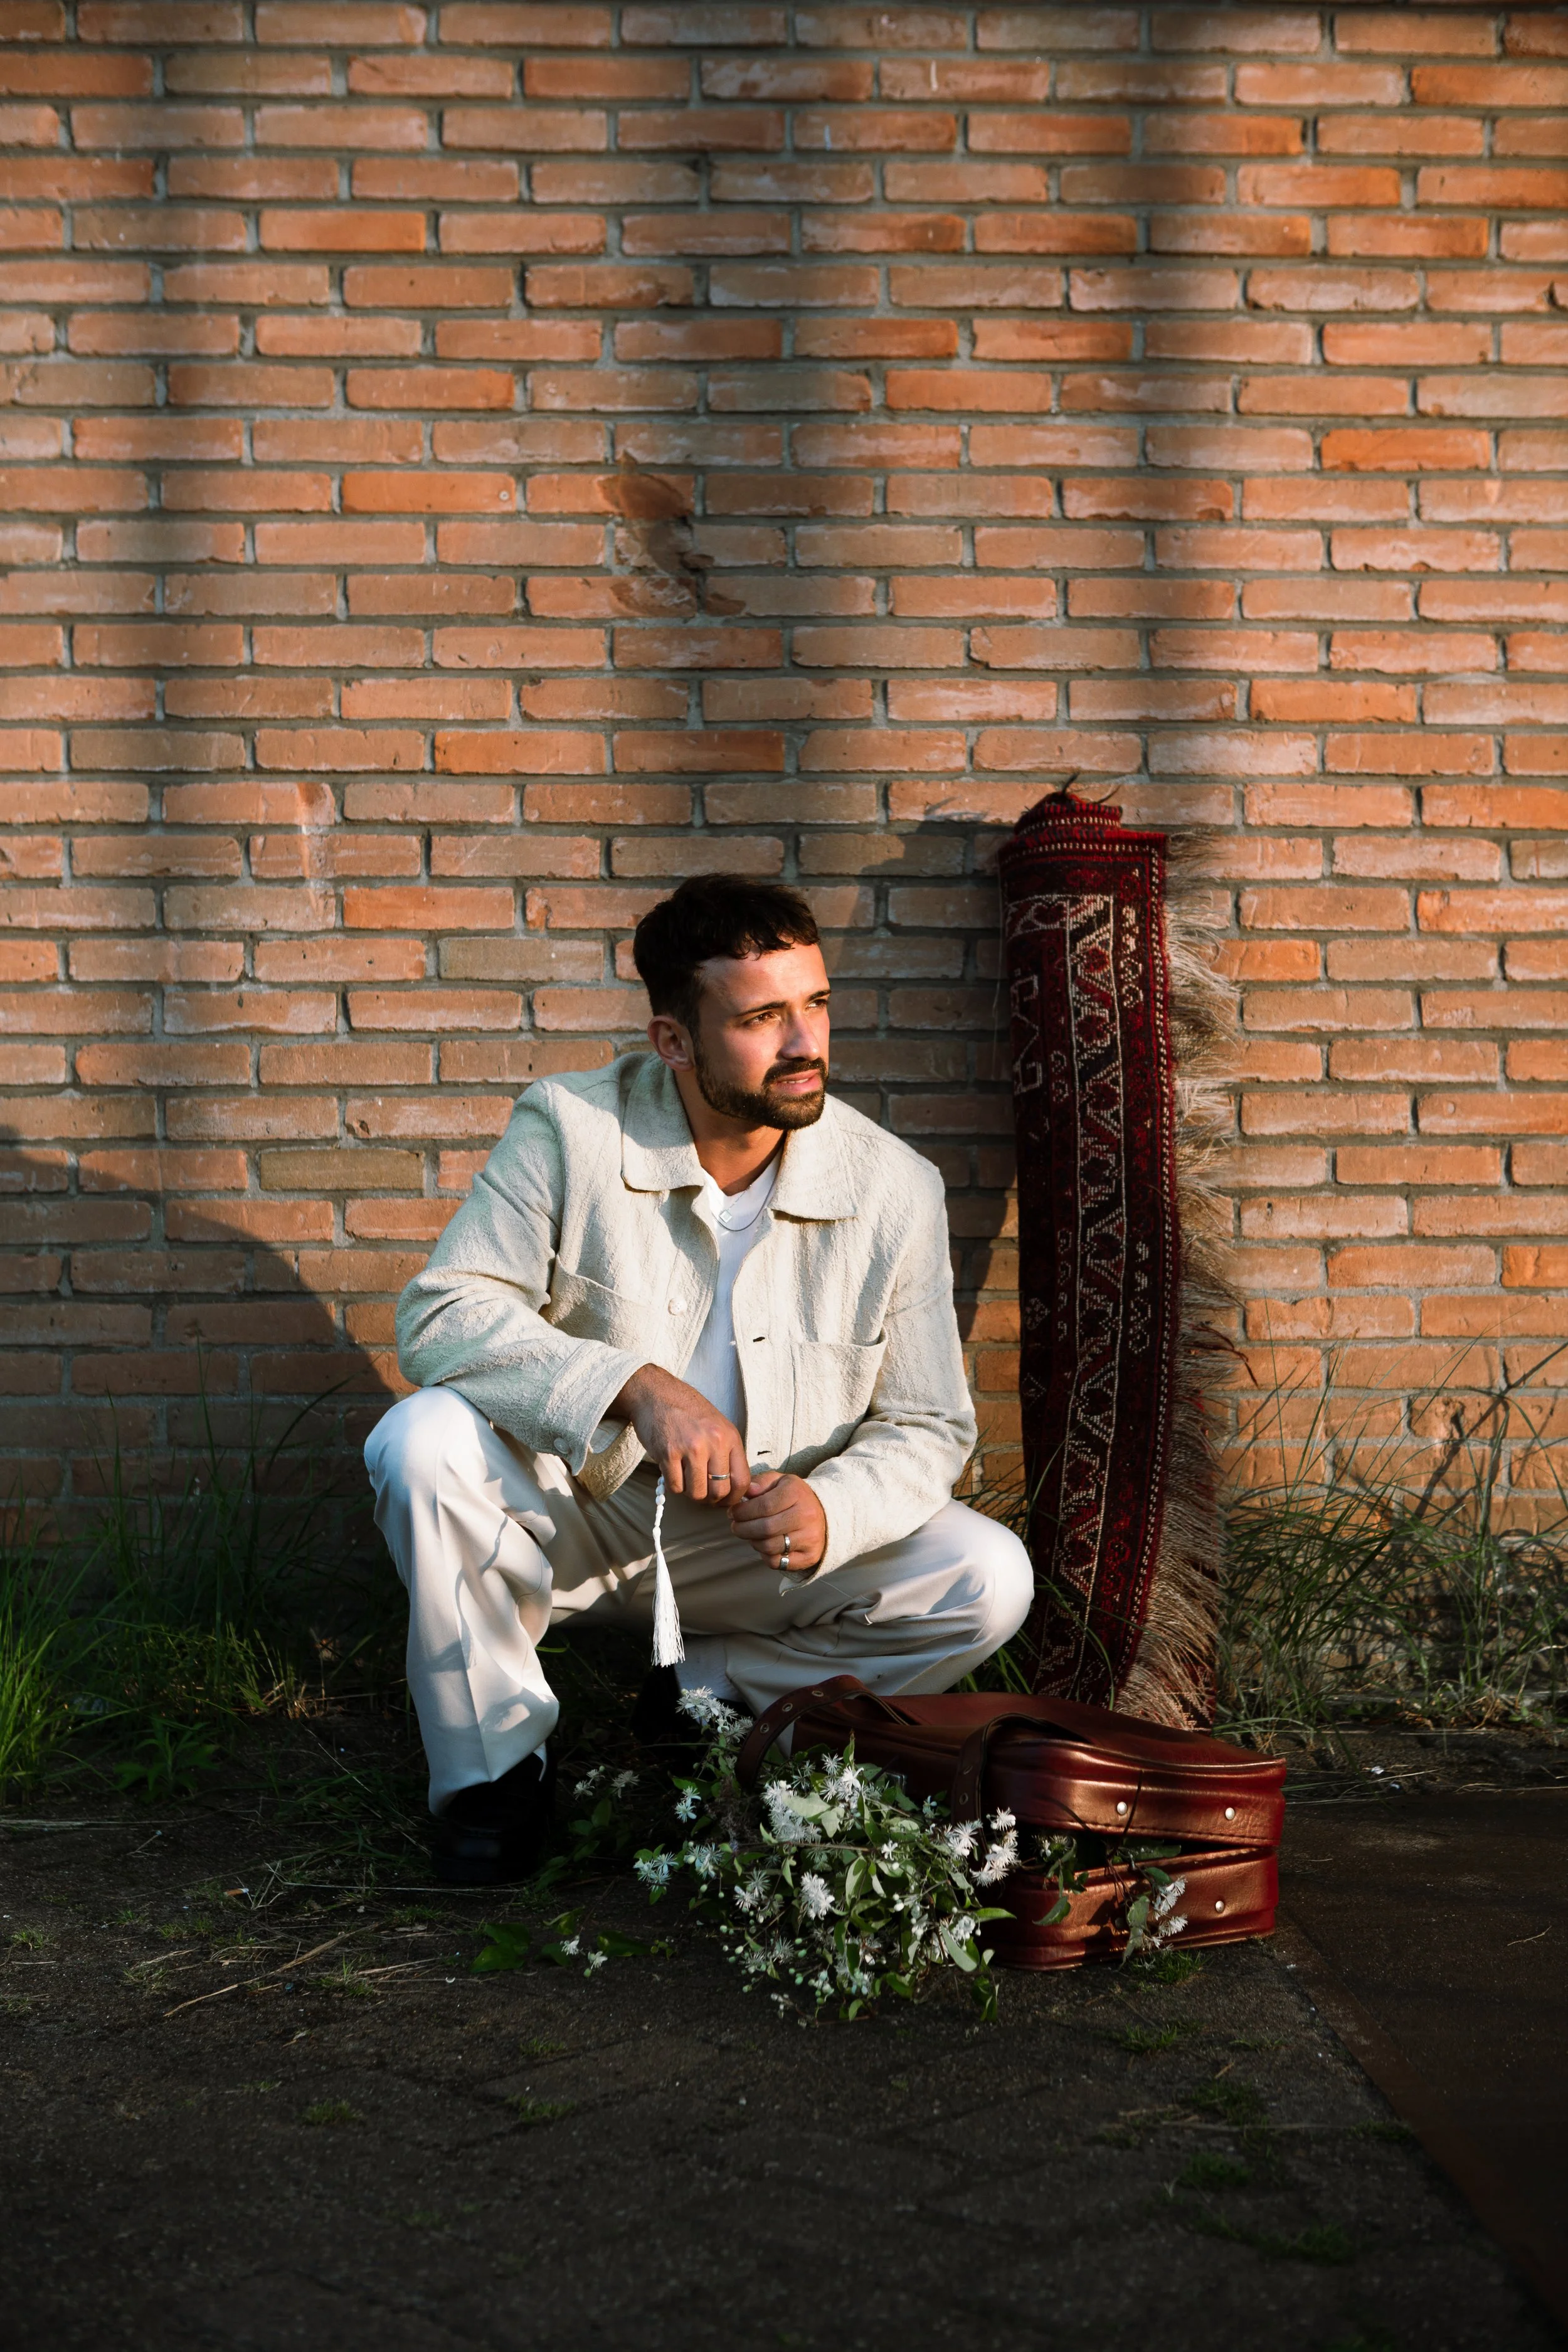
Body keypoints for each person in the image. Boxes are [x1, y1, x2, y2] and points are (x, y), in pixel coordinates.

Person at [365, 875, 1034, 1883]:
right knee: (417, 1442)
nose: (805, 1041)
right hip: (582, 1511)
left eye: (815, 1004)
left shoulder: (894, 1186)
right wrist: (633, 1383)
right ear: (674, 1040)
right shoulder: (569, 1128)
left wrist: (832, 1505)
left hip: (755, 1541)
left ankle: (707, 1697)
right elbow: (442, 1312)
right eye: (763, 1017)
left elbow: (932, 1424)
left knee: (987, 1576)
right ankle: (493, 1776)